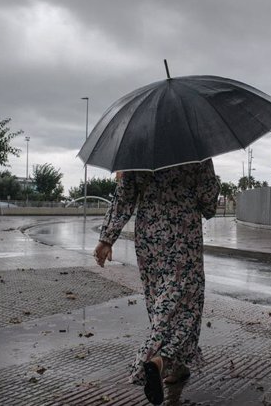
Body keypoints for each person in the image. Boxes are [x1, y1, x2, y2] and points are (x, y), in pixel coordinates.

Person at [93, 159, 220, 405]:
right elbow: (208, 202)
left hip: (149, 235)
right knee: (186, 306)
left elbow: (123, 198)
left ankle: (176, 367)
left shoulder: (137, 149)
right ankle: (155, 360)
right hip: (184, 233)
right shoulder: (195, 149)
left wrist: (107, 238)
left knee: (159, 301)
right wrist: (213, 185)